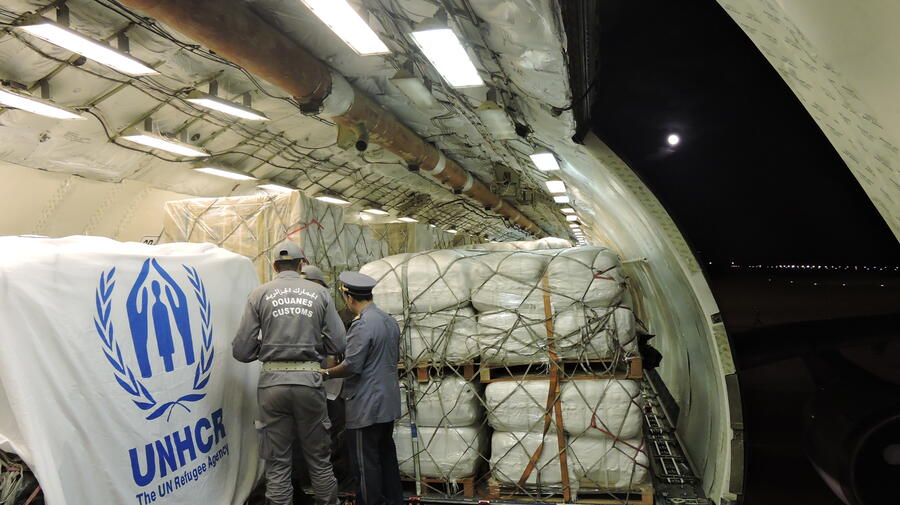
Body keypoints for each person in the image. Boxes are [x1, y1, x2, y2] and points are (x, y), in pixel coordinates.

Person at [232, 241, 347, 505]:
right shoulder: (319, 294)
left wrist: (267, 349)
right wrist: (313, 345)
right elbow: (339, 344)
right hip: (309, 382)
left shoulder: (258, 294)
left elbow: (241, 350)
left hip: (272, 385)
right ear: (301, 264)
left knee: (277, 463)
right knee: (319, 460)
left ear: (274, 266)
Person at [320, 272, 403, 505]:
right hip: (387, 403)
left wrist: (325, 373)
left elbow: (352, 366)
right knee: (386, 457)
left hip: (365, 406)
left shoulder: (361, 324)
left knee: (365, 464)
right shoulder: (389, 321)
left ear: (349, 298)